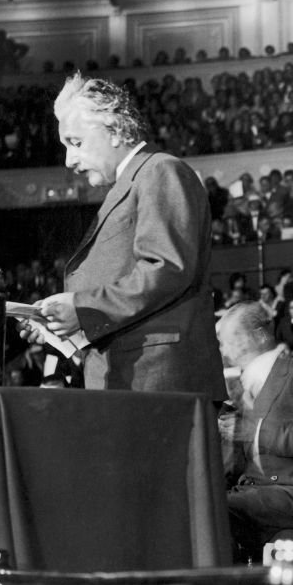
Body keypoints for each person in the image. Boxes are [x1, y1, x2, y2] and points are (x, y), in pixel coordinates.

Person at [28, 73, 224, 397]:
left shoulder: (160, 170)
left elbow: (165, 269)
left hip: (159, 379)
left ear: (116, 130)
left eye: (76, 143)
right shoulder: (132, 182)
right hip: (134, 378)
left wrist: (83, 308)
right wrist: (64, 328)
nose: (69, 160)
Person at [218, 302, 293, 551]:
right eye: (223, 341)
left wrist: (256, 432)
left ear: (260, 335)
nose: (227, 348)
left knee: (217, 509)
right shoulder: (236, 385)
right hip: (252, 488)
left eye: (234, 338)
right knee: (200, 505)